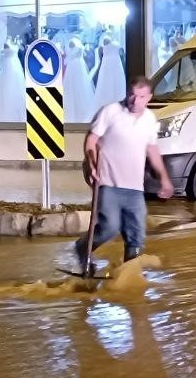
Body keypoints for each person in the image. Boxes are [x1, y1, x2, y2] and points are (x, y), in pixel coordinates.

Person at [75, 76, 175, 273]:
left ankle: (128, 275)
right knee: (110, 227)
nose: (135, 100)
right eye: (131, 95)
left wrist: (164, 178)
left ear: (149, 98)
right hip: (108, 183)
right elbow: (91, 140)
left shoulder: (149, 119)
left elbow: (152, 150)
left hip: (135, 188)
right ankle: (83, 248)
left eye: (140, 96)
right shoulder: (110, 111)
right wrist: (91, 163)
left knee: (136, 234)